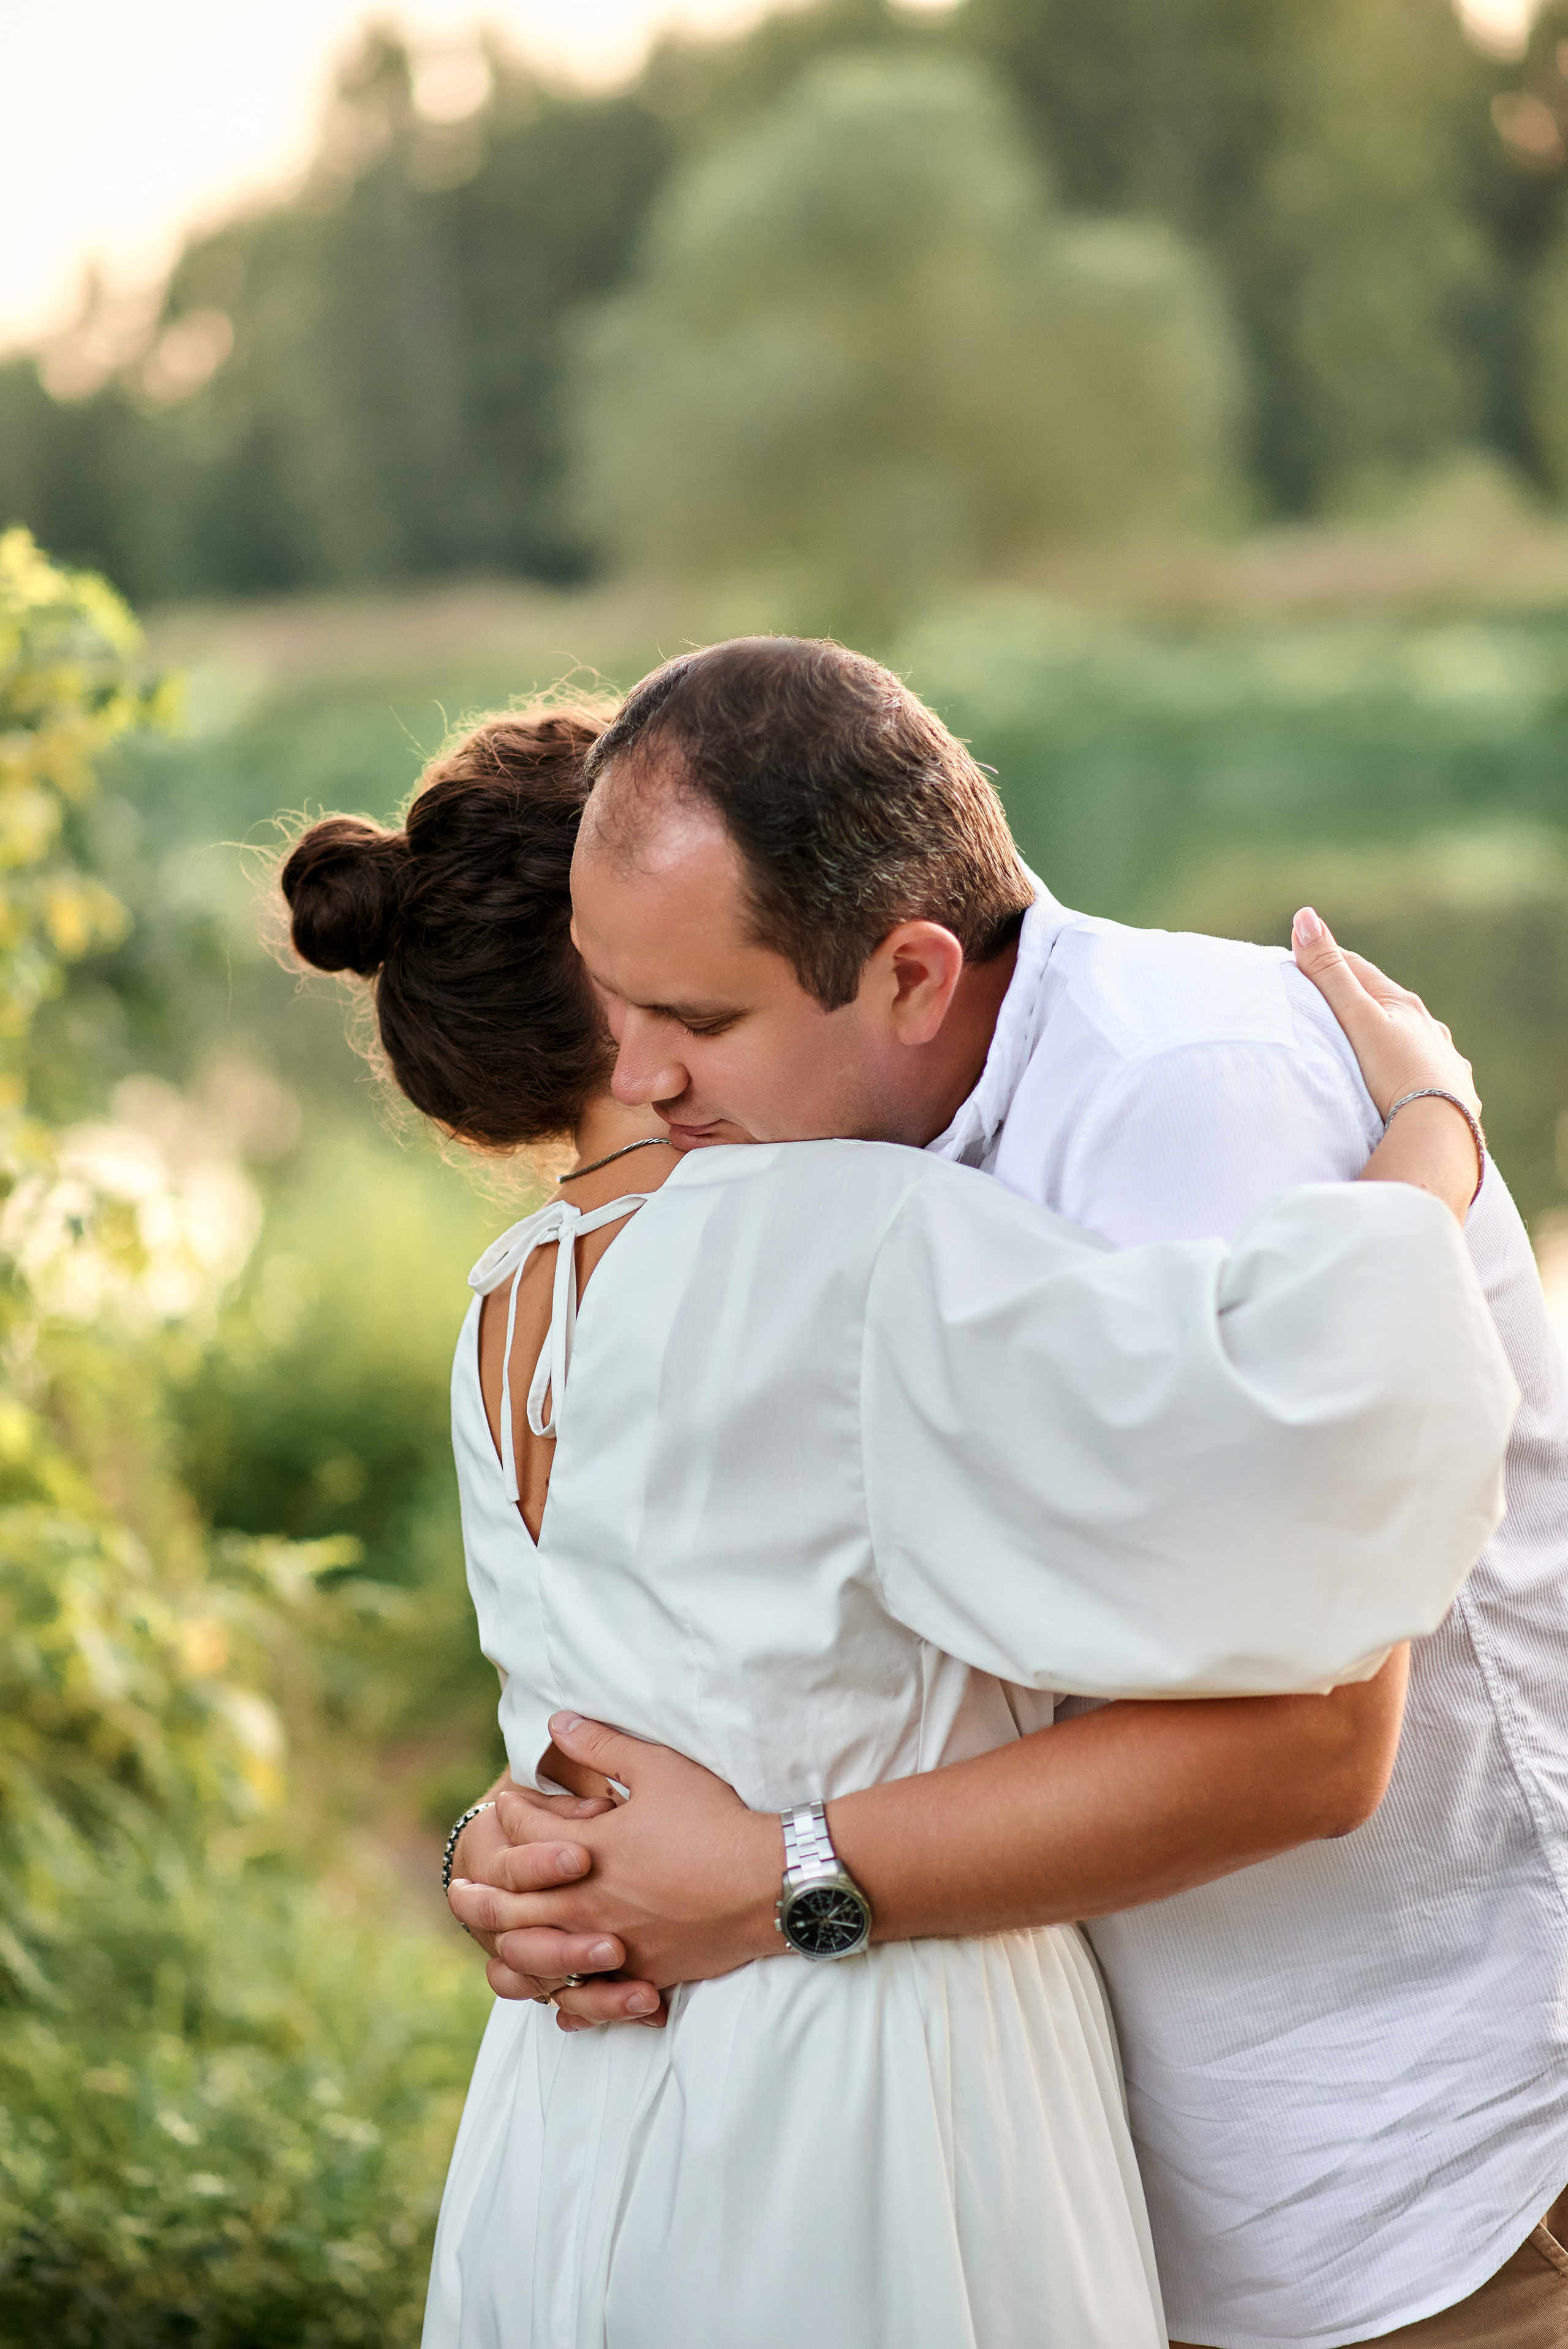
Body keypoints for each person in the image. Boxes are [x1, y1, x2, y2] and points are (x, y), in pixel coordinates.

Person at [281, 694, 1513, 2349]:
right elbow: (1289, 1404)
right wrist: (1431, 1133)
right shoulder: (850, 1238)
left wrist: (506, 1851)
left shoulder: (502, 1314)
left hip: (584, 2128)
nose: (664, 1056)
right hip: (884, 2093)